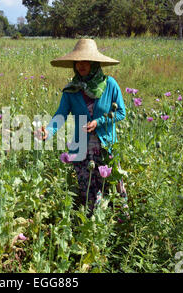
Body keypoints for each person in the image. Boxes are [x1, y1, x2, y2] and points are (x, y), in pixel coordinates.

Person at [35, 39, 128, 217]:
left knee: (113, 188)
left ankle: (122, 226)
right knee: (89, 193)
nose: (80, 65)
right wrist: (48, 130)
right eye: (77, 61)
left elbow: (121, 113)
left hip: (105, 146)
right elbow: (60, 115)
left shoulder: (110, 84)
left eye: (85, 61)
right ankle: (94, 230)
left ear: (94, 63)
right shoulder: (71, 90)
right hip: (82, 149)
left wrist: (99, 122)